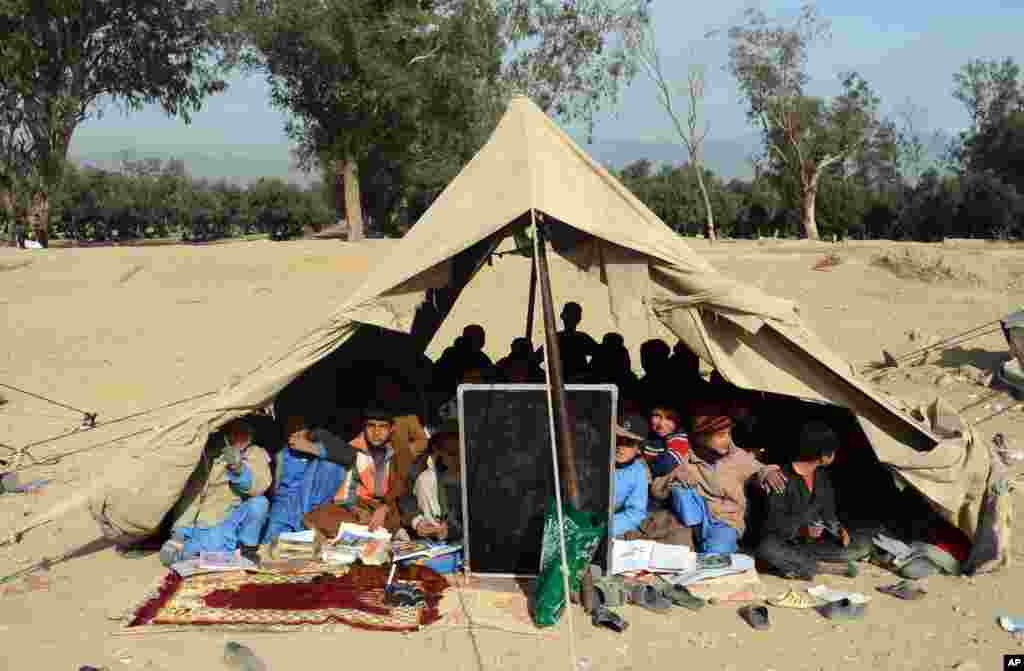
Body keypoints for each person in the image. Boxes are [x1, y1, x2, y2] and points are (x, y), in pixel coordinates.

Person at [650, 404, 786, 554]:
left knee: (715, 555)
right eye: (721, 435)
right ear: (702, 438)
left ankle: (718, 545)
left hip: (725, 521)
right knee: (679, 490)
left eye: (728, 434)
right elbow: (656, 489)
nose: (727, 440)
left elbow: (758, 467)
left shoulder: (736, 457)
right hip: (694, 521)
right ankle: (696, 540)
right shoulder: (688, 458)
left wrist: (768, 472)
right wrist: (673, 476)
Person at [756, 421, 870, 579]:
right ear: (824, 454)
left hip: (809, 545)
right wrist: (802, 529)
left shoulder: (822, 476)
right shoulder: (782, 478)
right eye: (833, 452)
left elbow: (828, 514)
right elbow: (773, 524)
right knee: (767, 549)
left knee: (862, 543)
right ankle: (822, 567)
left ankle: (795, 564)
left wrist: (838, 529)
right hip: (785, 541)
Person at [160, 419, 272, 566]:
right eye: (237, 432)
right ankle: (214, 557)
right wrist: (178, 536)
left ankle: (247, 550)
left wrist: (238, 469)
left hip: (236, 517)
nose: (242, 437)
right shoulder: (209, 456)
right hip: (211, 521)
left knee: (260, 503)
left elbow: (258, 487)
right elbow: (192, 497)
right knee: (194, 554)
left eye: (246, 432)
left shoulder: (256, 454)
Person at [305, 405, 423, 536]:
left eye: (382, 426)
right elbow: (346, 493)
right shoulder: (353, 450)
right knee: (322, 517)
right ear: (364, 428)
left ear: (391, 429)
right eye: (371, 426)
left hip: (388, 507)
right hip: (360, 507)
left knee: (397, 516)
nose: (376, 432)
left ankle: (392, 530)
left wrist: (384, 508)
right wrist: (357, 511)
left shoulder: (399, 452)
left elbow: (401, 488)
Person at [261, 416, 354, 544]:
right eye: (291, 429)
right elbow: (274, 488)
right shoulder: (281, 453)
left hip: (313, 507)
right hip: (285, 506)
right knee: (271, 543)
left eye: (300, 429)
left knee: (332, 465)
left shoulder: (322, 447)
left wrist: (312, 448)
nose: (295, 433)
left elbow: (349, 456)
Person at [536, 302, 599, 382]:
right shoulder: (579, 338)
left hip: (576, 381)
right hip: (568, 380)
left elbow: (599, 355)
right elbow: (537, 358)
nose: (571, 318)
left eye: (574, 315)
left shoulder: (581, 338)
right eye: (570, 314)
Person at [612, 419, 650, 538]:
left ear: (638, 449)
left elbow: (636, 513)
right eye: (618, 439)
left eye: (628, 443)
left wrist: (608, 526)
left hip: (609, 524)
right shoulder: (597, 458)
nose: (620, 447)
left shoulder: (638, 472)